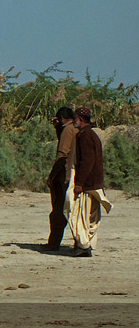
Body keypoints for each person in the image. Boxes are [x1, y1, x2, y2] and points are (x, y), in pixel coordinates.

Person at [65, 107, 111, 257]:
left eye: (75, 119)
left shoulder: (84, 136)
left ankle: (84, 245)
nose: (74, 122)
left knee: (79, 214)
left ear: (80, 120)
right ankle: (84, 244)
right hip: (94, 182)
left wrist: (79, 183)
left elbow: (87, 161)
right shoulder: (92, 135)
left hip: (88, 183)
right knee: (89, 216)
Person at [41, 107, 76, 252]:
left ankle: (54, 243)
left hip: (64, 175)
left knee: (57, 211)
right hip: (75, 175)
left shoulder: (67, 130)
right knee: (73, 211)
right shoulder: (76, 128)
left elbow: (62, 154)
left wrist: (51, 176)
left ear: (62, 118)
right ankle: (80, 243)